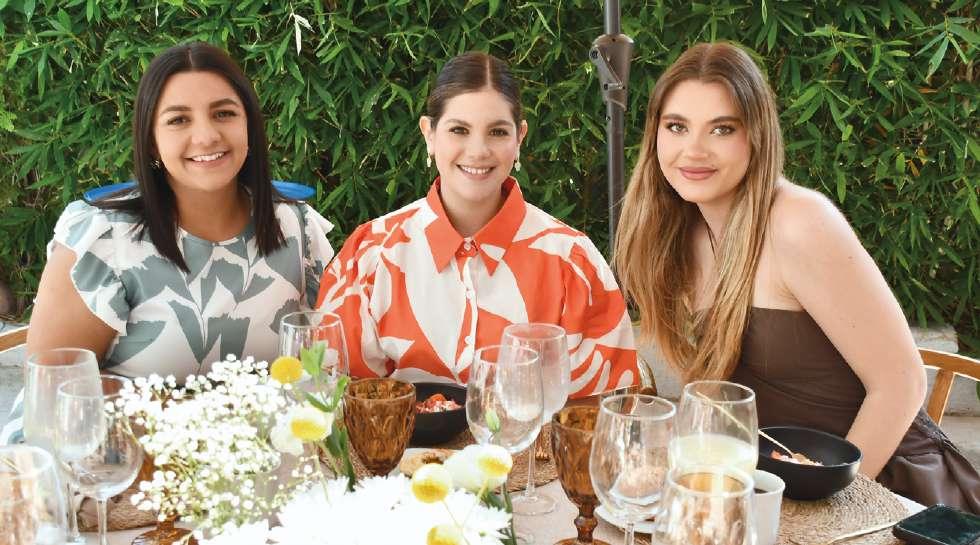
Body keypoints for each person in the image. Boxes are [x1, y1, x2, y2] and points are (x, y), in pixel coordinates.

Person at [613, 42, 979, 512]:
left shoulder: (799, 222)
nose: (694, 150)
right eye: (677, 126)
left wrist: (834, 509)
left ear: (757, 136)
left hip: (888, 491)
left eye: (722, 129)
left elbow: (901, 382)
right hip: (776, 486)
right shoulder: (679, 234)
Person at [316, 52, 638, 398]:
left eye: (497, 132)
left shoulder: (573, 261)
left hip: (535, 436)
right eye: (459, 130)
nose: (478, 150)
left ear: (520, 138)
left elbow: (605, 411)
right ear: (429, 133)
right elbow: (331, 397)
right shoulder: (369, 255)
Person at [24, 42, 334, 379]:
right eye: (179, 120)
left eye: (224, 113)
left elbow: (330, 363)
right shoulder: (104, 241)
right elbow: (51, 390)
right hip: (125, 417)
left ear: (250, 125)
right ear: (151, 141)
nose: (206, 136)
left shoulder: (295, 226)